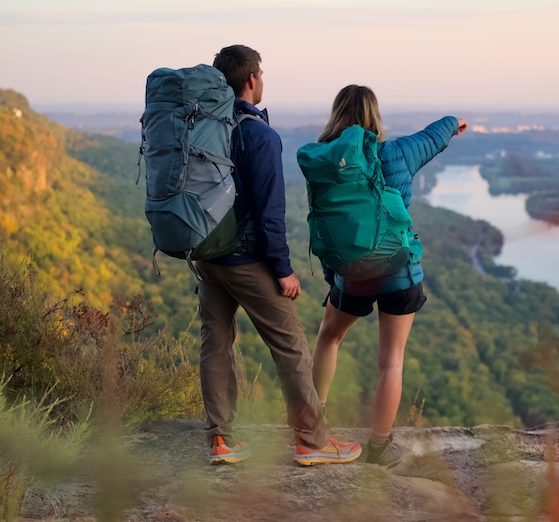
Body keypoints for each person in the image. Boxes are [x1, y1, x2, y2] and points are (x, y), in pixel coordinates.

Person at [197, 45, 361, 466]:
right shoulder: (259, 135)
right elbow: (271, 213)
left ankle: (221, 440)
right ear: (251, 80)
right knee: (290, 346)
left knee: (215, 344)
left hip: (206, 255)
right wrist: (283, 271)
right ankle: (311, 440)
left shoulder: (202, 127)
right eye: (262, 73)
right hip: (247, 259)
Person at [307, 85, 466, 467]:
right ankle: (380, 447)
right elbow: (434, 135)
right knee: (391, 361)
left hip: (353, 273)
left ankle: (312, 428)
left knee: (329, 337)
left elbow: (325, 227)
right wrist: (455, 123)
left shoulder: (325, 164)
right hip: (399, 270)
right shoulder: (395, 153)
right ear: (374, 116)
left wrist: (335, 278)